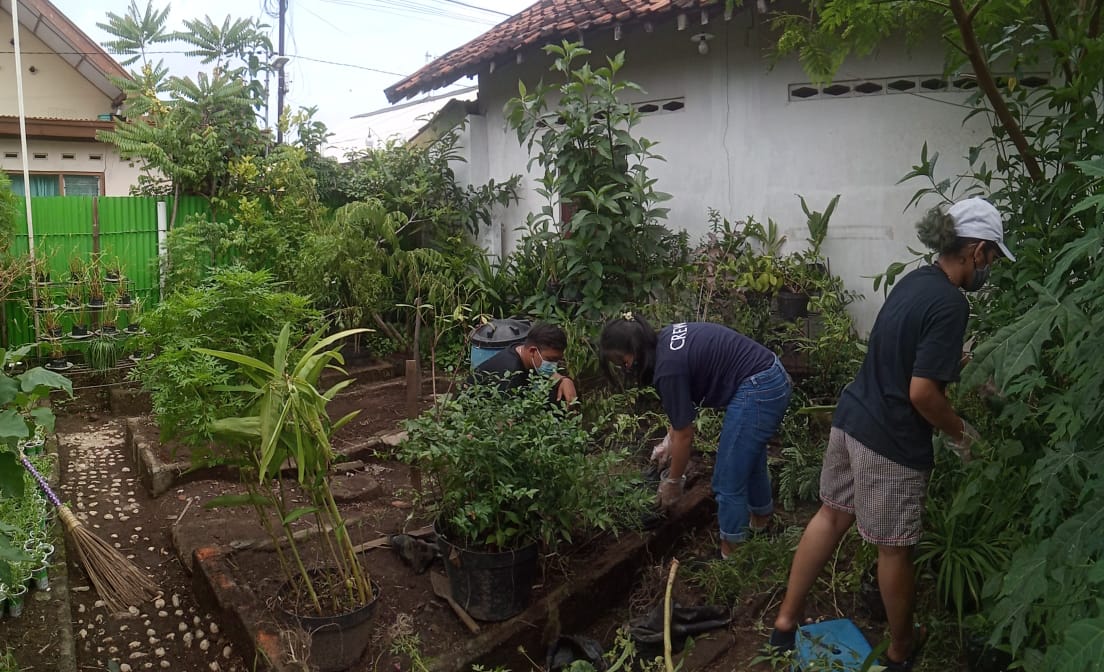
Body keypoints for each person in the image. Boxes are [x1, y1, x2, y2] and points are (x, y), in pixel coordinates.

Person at [769, 197, 1014, 670]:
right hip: (890, 440)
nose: (990, 268)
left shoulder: (917, 281)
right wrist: (963, 434)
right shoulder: (951, 303)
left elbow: (903, 347)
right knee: (894, 548)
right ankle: (902, 649)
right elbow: (922, 394)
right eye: (992, 257)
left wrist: (960, 362)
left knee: (831, 515)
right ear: (977, 251)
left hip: (852, 416)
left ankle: (784, 624)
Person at [600, 314, 792, 558]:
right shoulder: (666, 339)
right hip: (770, 374)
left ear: (634, 351)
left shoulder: (667, 371)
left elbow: (685, 436)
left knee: (727, 479)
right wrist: (667, 441)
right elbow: (680, 417)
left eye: (621, 361)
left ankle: (732, 556)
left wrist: (673, 481)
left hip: (759, 387)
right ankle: (761, 525)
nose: (624, 368)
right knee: (749, 460)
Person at [471, 322, 578, 404]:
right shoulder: (510, 374)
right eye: (550, 359)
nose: (554, 365)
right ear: (532, 351)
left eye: (557, 360)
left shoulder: (524, 350)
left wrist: (564, 380)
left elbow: (549, 373)